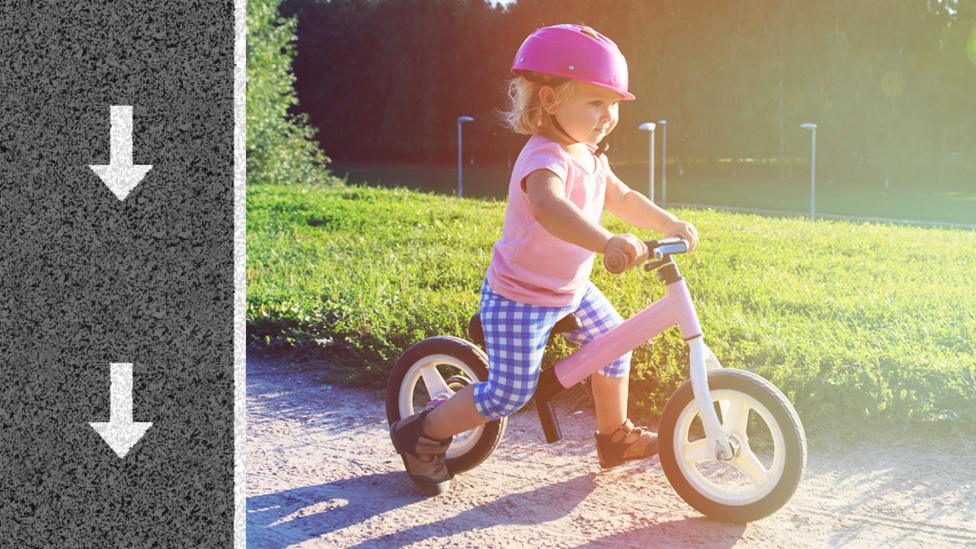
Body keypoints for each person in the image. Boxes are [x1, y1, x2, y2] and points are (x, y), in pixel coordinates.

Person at [390, 24, 699, 496]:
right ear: (551, 100)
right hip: (520, 296)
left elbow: (622, 195)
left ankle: (613, 438)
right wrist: (606, 242)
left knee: (615, 346)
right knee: (509, 394)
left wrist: (667, 224)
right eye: (596, 103)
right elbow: (551, 210)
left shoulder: (590, 154)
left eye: (614, 104)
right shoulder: (543, 157)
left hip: (568, 290)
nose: (608, 115)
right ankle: (423, 434)